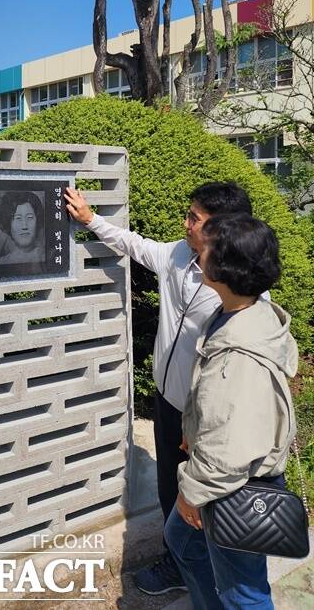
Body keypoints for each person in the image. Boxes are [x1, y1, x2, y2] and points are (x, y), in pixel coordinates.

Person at [64, 181, 259, 595]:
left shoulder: (240, 289)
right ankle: (181, 565)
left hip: (207, 415)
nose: (185, 224)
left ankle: (215, 575)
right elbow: (135, 244)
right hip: (169, 400)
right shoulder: (176, 255)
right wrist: (90, 218)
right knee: (171, 486)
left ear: (222, 231)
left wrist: (204, 421)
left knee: (206, 498)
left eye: (194, 219)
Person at [165, 213, 297, 609]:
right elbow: (219, 412)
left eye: (205, 249)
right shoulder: (246, 312)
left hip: (232, 488)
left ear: (224, 268)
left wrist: (190, 493)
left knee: (246, 593)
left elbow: (229, 447)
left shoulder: (238, 359)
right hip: (219, 477)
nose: (197, 252)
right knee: (183, 543)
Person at [0, 191, 45, 265]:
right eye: (18, 218)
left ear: (37, 220)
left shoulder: (48, 257)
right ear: (8, 223)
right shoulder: (2, 262)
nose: (24, 226)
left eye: (29, 217)